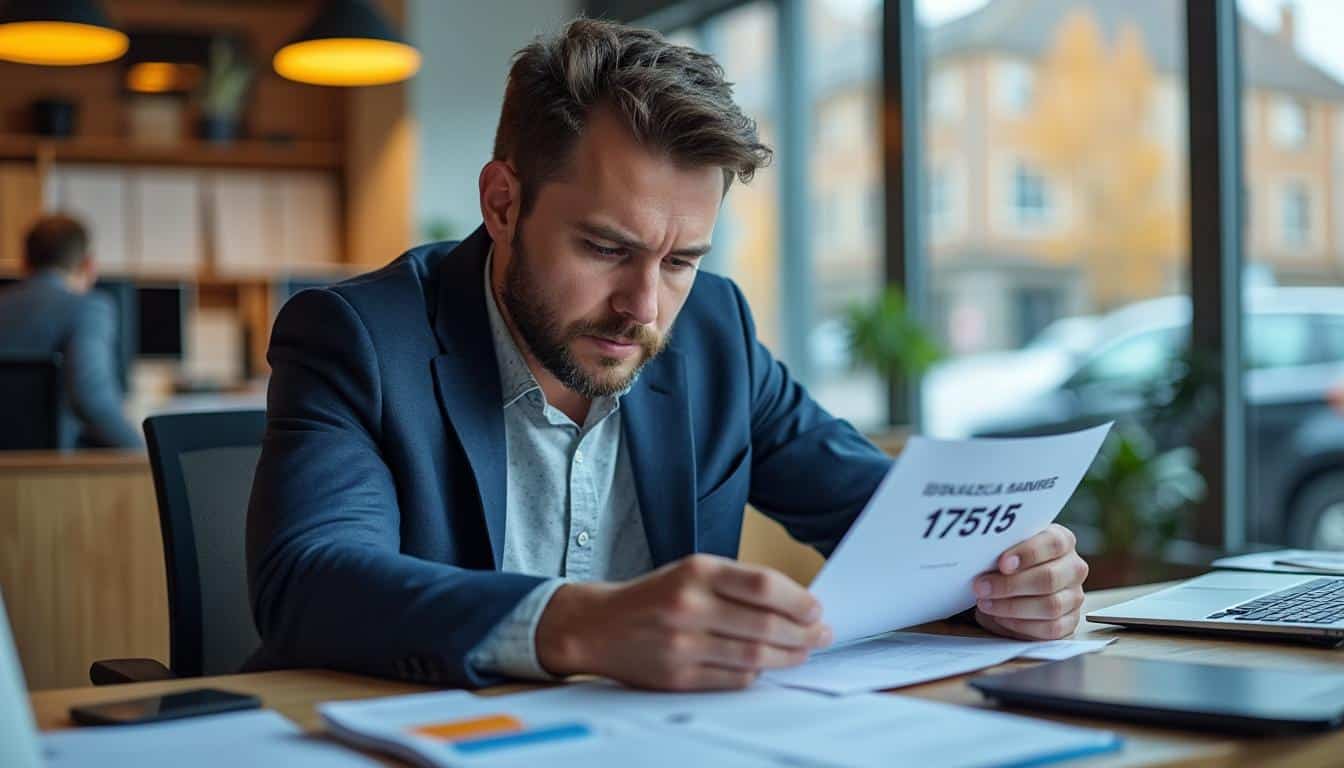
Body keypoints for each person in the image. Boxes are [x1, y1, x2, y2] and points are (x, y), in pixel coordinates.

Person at [246, 18, 1088, 691]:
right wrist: (581, 623)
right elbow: (313, 581)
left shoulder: (712, 328)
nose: (644, 308)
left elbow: (886, 521)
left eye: (681, 260)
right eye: (607, 248)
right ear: (503, 204)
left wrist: (1004, 578)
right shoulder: (357, 337)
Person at [0, 214, 141, 449]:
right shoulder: (88, 308)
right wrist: (142, 455)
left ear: (24, 263)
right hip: (53, 471)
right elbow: (91, 398)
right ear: (89, 265)